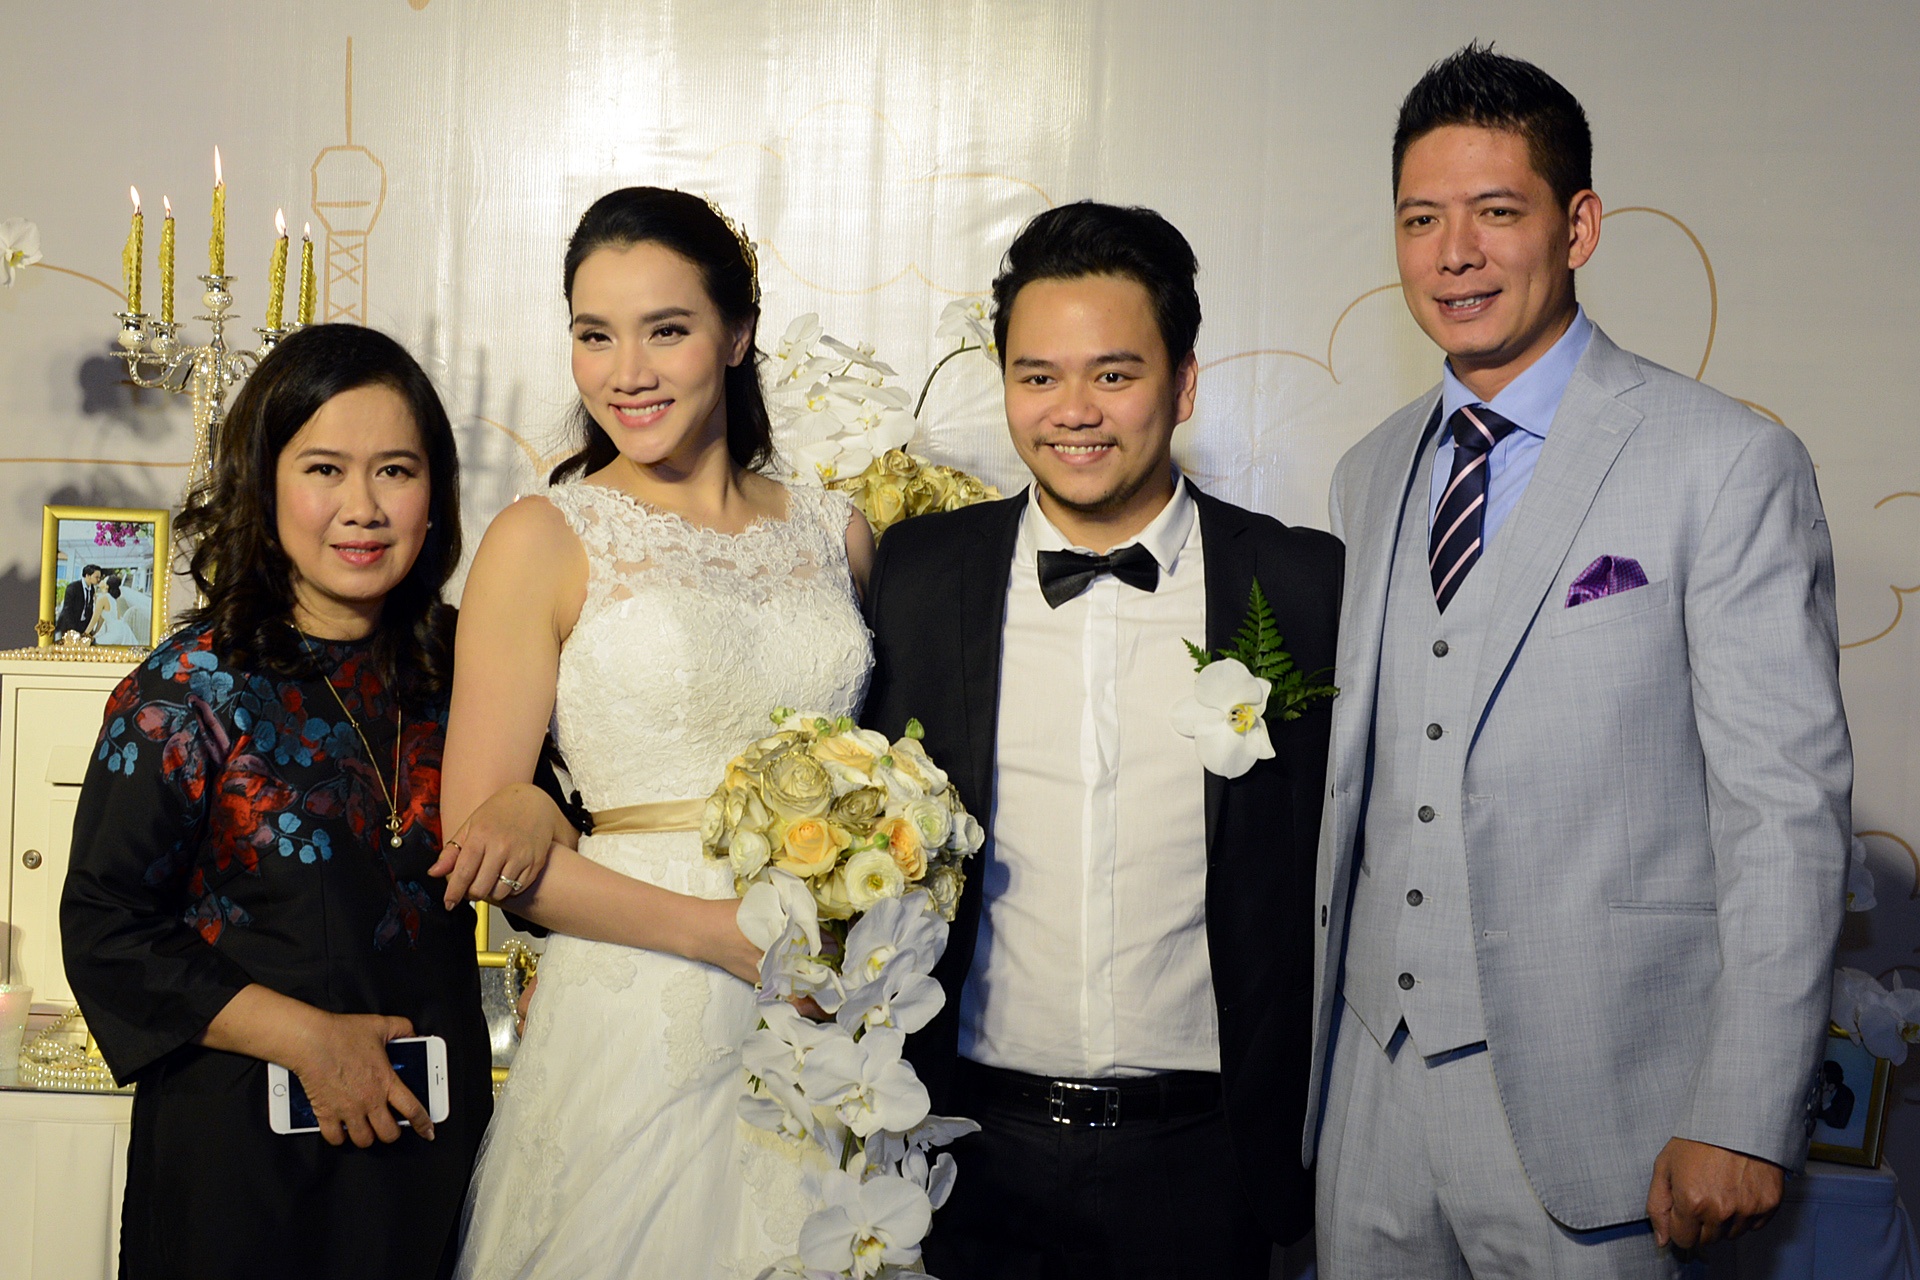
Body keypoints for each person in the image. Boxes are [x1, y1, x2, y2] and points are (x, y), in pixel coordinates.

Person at [1306, 43, 1852, 1278]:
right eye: (1422, 219)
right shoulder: (1368, 471)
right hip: (1368, 1096)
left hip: (1604, 1103)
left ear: (1579, 225)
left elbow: (1783, 804)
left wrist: (1743, 1108)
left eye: (1497, 212)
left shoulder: (1724, 461)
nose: (1455, 253)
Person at [861, 202, 1341, 1279]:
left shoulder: (1302, 584)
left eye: (1114, 374)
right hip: (966, 1151)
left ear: (1185, 383)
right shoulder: (917, 575)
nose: (1073, 411)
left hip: (1210, 1161)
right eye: (1038, 376)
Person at [436, 186, 874, 1278]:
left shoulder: (839, 533)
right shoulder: (543, 535)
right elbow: (483, 843)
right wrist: (717, 933)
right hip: (635, 999)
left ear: (738, 334)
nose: (625, 371)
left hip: (819, 997)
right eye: (595, 335)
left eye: (665, 330)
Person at [60, 324, 492, 1280]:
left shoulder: (471, 667)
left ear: (435, 495)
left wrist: (545, 816)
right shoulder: (188, 690)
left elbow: (554, 860)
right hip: (242, 1168)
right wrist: (308, 1041)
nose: (362, 508)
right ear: (264, 484)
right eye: (324, 469)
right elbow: (105, 927)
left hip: (434, 1155)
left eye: (395, 471)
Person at [93, 571, 142, 646]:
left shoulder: (104, 598)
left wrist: (86, 633)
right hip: (119, 628)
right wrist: (95, 632)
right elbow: (101, 619)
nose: (101, 581)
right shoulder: (108, 598)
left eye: (104, 580)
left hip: (115, 631)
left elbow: (96, 618)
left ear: (107, 586)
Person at [56, 562, 102, 636]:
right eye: (96, 577)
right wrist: (73, 630)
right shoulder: (73, 587)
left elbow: (89, 609)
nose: (99, 579)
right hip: (69, 626)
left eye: (99, 577)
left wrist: (89, 629)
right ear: (88, 575)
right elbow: (67, 610)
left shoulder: (92, 589)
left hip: (82, 626)